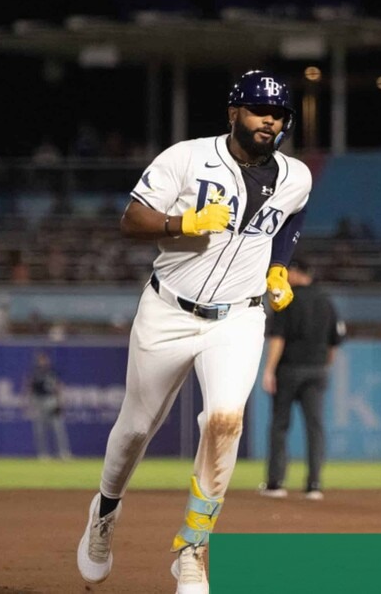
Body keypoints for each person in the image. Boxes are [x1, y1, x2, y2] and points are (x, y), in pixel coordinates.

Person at [77, 69, 312, 594]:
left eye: (278, 114)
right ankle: (105, 512)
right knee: (135, 430)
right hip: (168, 311)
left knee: (225, 421)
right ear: (233, 113)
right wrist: (180, 223)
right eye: (258, 110)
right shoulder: (185, 158)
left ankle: (193, 549)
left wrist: (279, 266)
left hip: (240, 317)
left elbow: (294, 215)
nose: (269, 120)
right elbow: (131, 220)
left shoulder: (296, 175)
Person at [259, 257, 345, 501]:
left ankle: (276, 483)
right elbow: (334, 343)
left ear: (296, 272)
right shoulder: (326, 301)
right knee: (315, 427)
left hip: (288, 369)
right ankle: (314, 484)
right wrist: (324, 366)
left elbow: (278, 338)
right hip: (317, 370)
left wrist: (269, 370)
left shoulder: (286, 298)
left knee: (280, 426)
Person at [25, 350, 72, 460]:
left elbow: (58, 387)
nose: (43, 362)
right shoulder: (34, 373)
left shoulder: (52, 372)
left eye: (44, 359)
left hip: (51, 400)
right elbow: (29, 388)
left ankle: (63, 452)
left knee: (58, 429)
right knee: (40, 430)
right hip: (38, 400)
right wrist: (28, 403)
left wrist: (60, 402)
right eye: (41, 360)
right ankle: (43, 454)